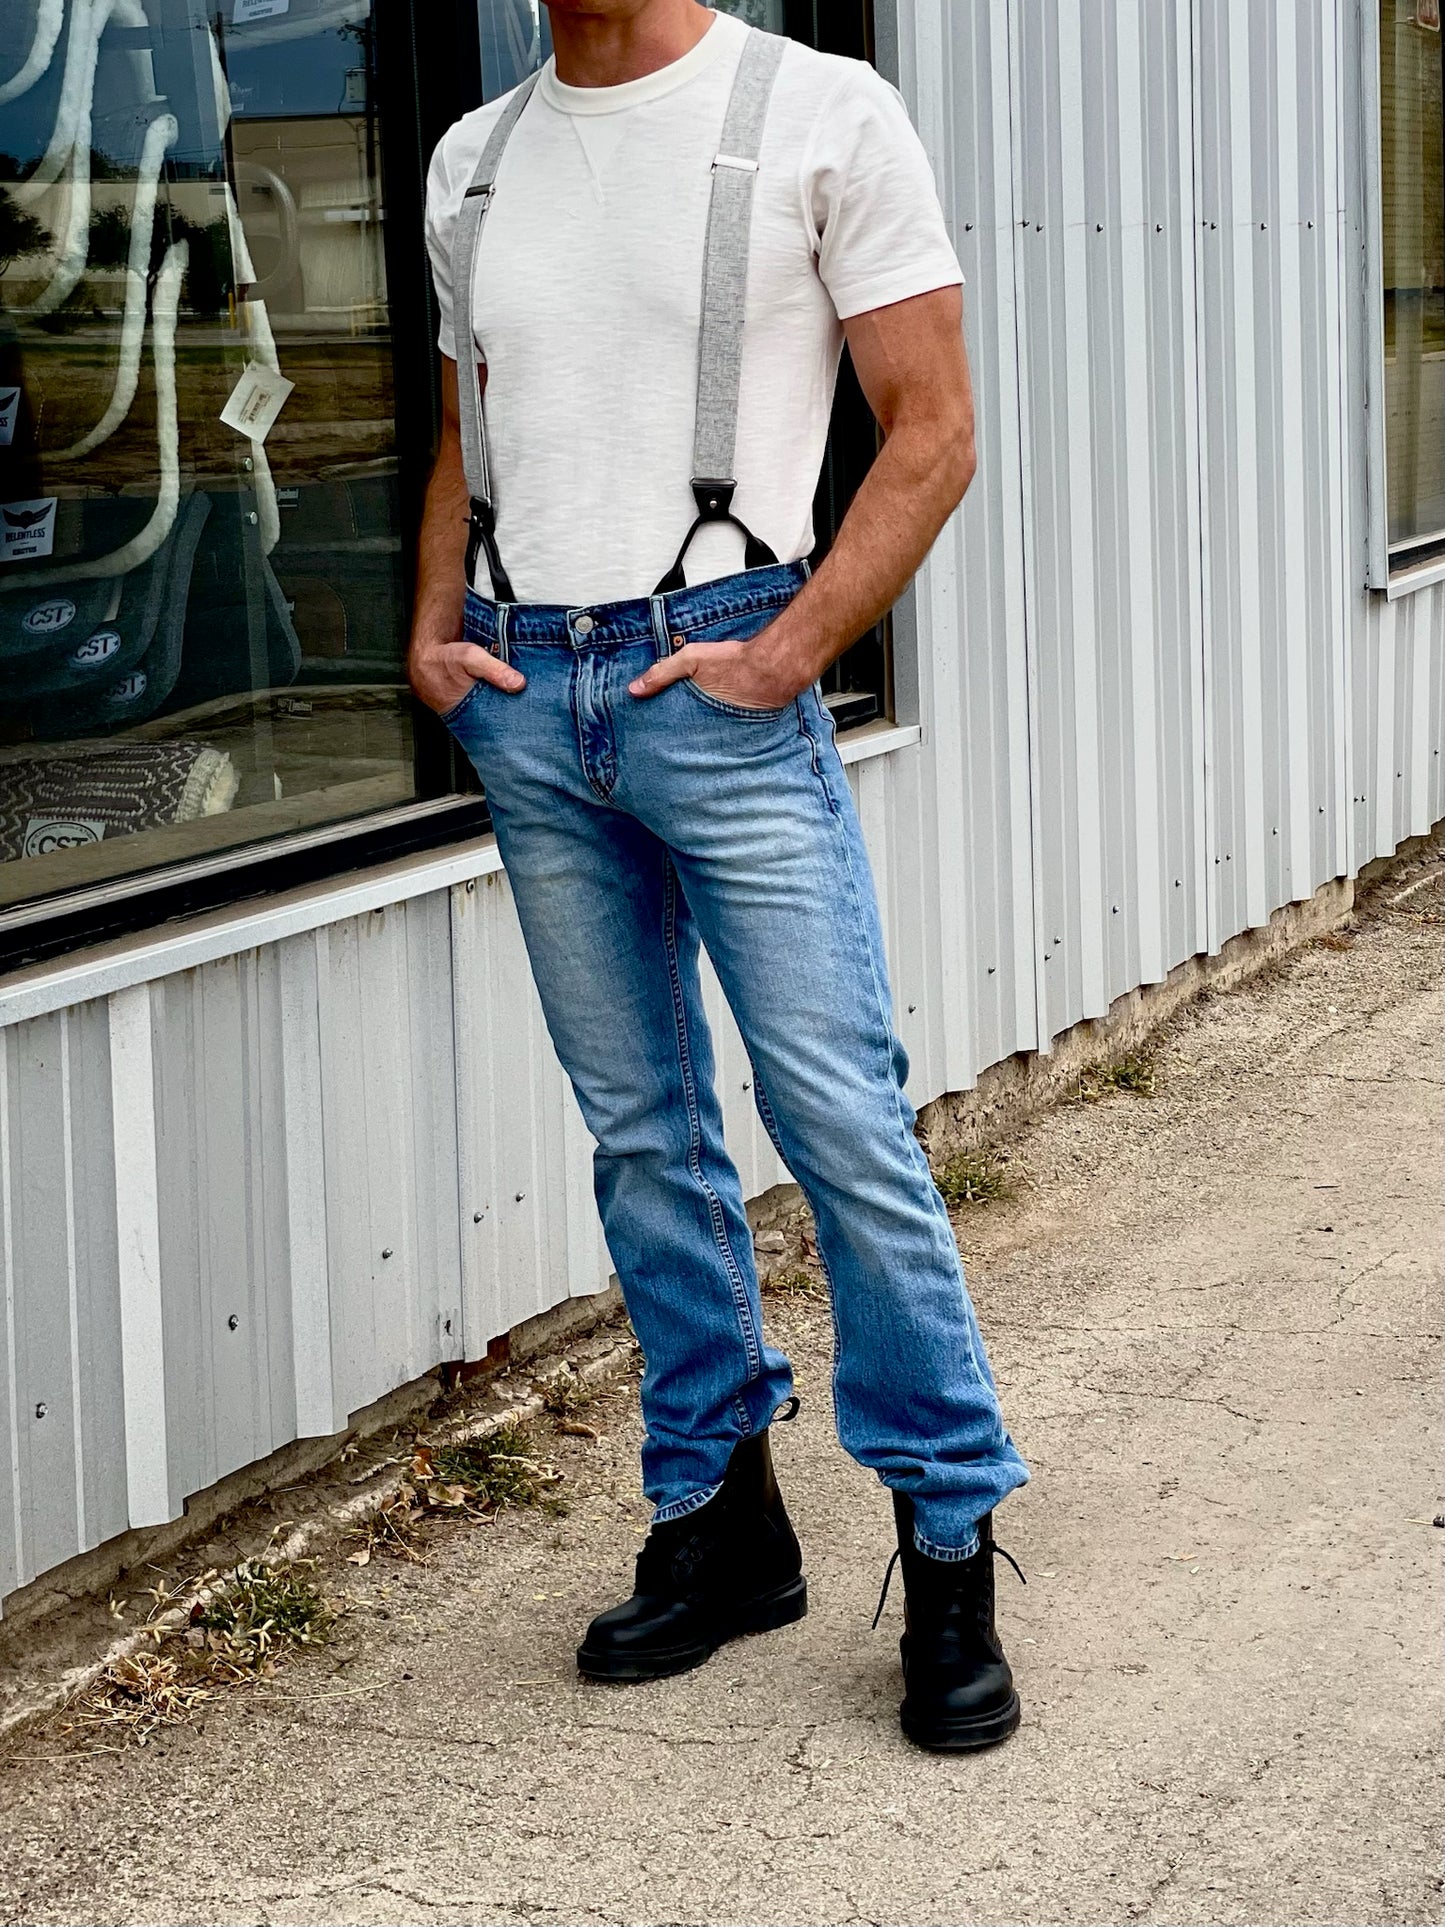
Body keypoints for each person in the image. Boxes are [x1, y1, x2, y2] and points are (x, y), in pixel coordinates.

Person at [410, 0, 1030, 1754]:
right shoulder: (477, 154)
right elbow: (481, 423)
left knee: (838, 1118)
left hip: (723, 680)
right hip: (532, 699)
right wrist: (434, 623)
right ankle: (722, 1522)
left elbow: (933, 429)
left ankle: (949, 1529)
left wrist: (791, 650)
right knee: (641, 1132)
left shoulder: (822, 111)